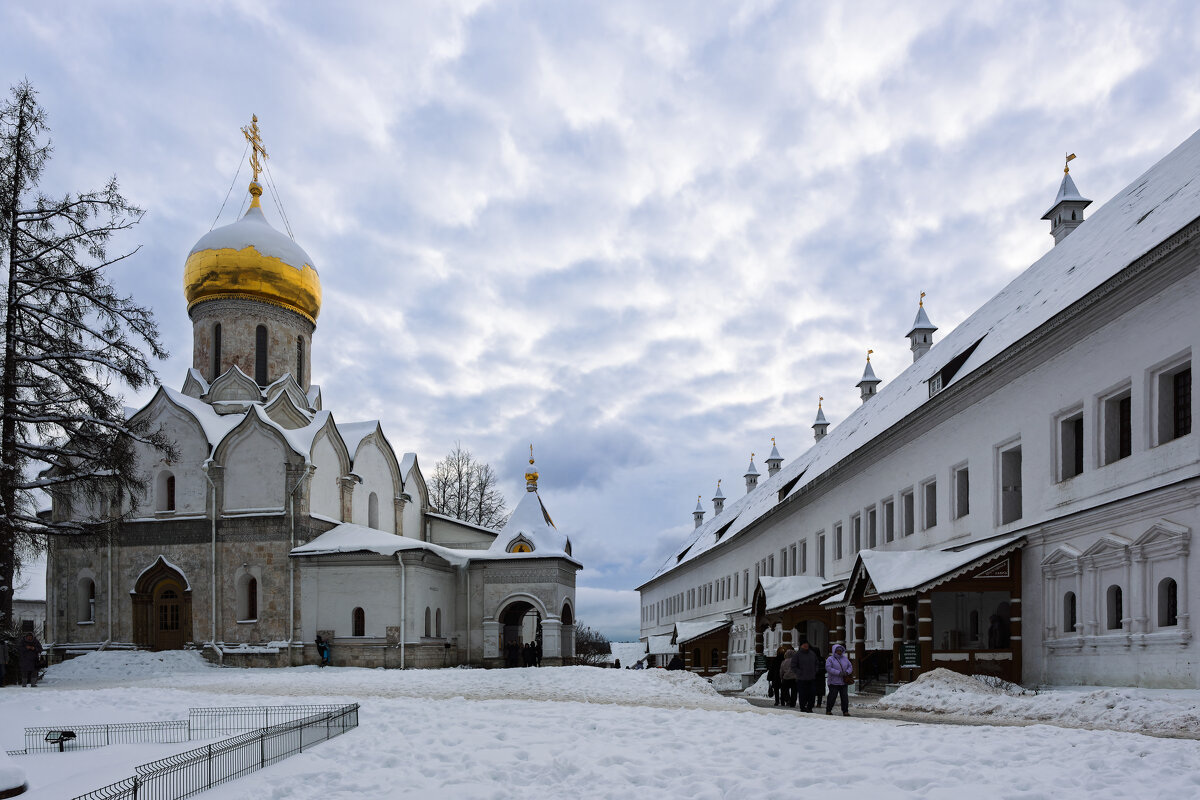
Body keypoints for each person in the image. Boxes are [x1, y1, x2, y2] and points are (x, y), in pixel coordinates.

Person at [824, 643, 853, 716]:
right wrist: (838, 673)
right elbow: (828, 668)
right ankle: (828, 710)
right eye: (838, 651)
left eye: (840, 650)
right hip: (833, 682)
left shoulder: (845, 659)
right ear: (834, 651)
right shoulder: (830, 659)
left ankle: (845, 711)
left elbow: (850, 666)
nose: (839, 652)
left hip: (844, 681)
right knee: (832, 697)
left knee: (844, 697)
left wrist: (847, 672)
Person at [793, 641, 820, 712]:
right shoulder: (797, 655)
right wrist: (799, 672)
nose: (805, 645)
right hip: (801, 678)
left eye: (806, 644)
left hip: (811, 678)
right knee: (802, 694)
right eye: (804, 644)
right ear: (801, 646)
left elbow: (817, 663)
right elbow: (793, 665)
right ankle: (803, 707)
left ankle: (810, 707)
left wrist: (815, 670)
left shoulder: (812, 654)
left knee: (812, 694)